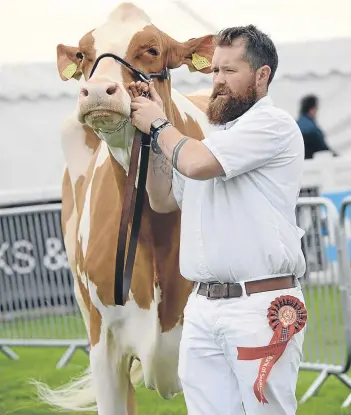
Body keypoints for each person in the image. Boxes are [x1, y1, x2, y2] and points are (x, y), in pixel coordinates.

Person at [128, 24, 307, 415]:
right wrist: (145, 135)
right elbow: (161, 200)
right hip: (204, 306)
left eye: (230, 71)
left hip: (260, 305)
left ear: (262, 76)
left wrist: (159, 124)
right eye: (214, 71)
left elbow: (195, 163)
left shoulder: (271, 125)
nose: (218, 81)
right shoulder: (212, 138)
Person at [296, 94, 337, 159]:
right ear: (312, 109)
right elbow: (323, 148)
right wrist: (336, 156)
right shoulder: (312, 129)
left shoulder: (295, 125)